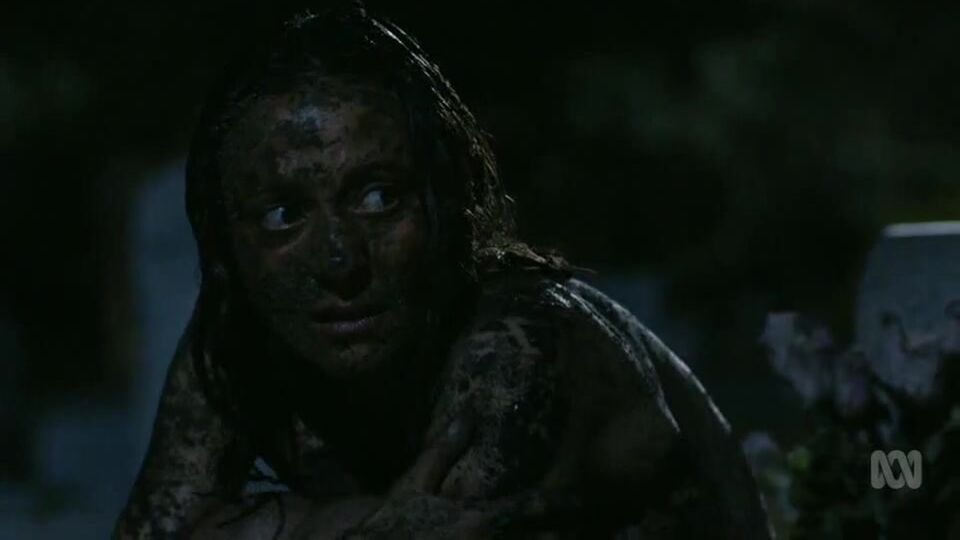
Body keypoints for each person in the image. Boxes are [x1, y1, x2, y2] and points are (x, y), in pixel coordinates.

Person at [114, 4, 772, 538]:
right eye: (284, 215)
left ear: (446, 203)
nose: (339, 259)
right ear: (229, 241)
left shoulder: (516, 348)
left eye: (379, 198)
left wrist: (268, 527)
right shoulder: (241, 336)